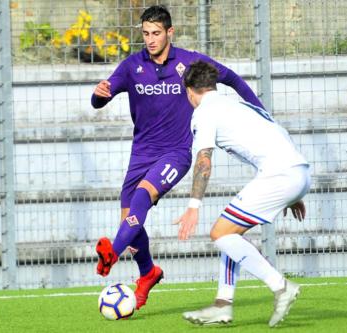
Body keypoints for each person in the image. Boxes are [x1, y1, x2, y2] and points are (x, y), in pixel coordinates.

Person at [91, 5, 264, 310]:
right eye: (145, 33)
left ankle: (112, 254)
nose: (150, 39)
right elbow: (99, 100)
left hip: (177, 153)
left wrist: (261, 113)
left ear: (169, 32)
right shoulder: (132, 66)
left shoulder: (188, 62)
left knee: (142, 198)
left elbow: (232, 78)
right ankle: (148, 273)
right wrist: (99, 94)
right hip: (141, 153)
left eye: (156, 33)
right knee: (130, 224)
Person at [175, 60, 311, 327]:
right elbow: (277, 133)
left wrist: (193, 205)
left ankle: (280, 285)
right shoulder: (237, 104)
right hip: (298, 171)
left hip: (280, 175)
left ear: (190, 91)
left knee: (220, 233)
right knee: (230, 236)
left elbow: (203, 160)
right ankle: (222, 305)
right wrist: (295, 192)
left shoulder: (204, 112)